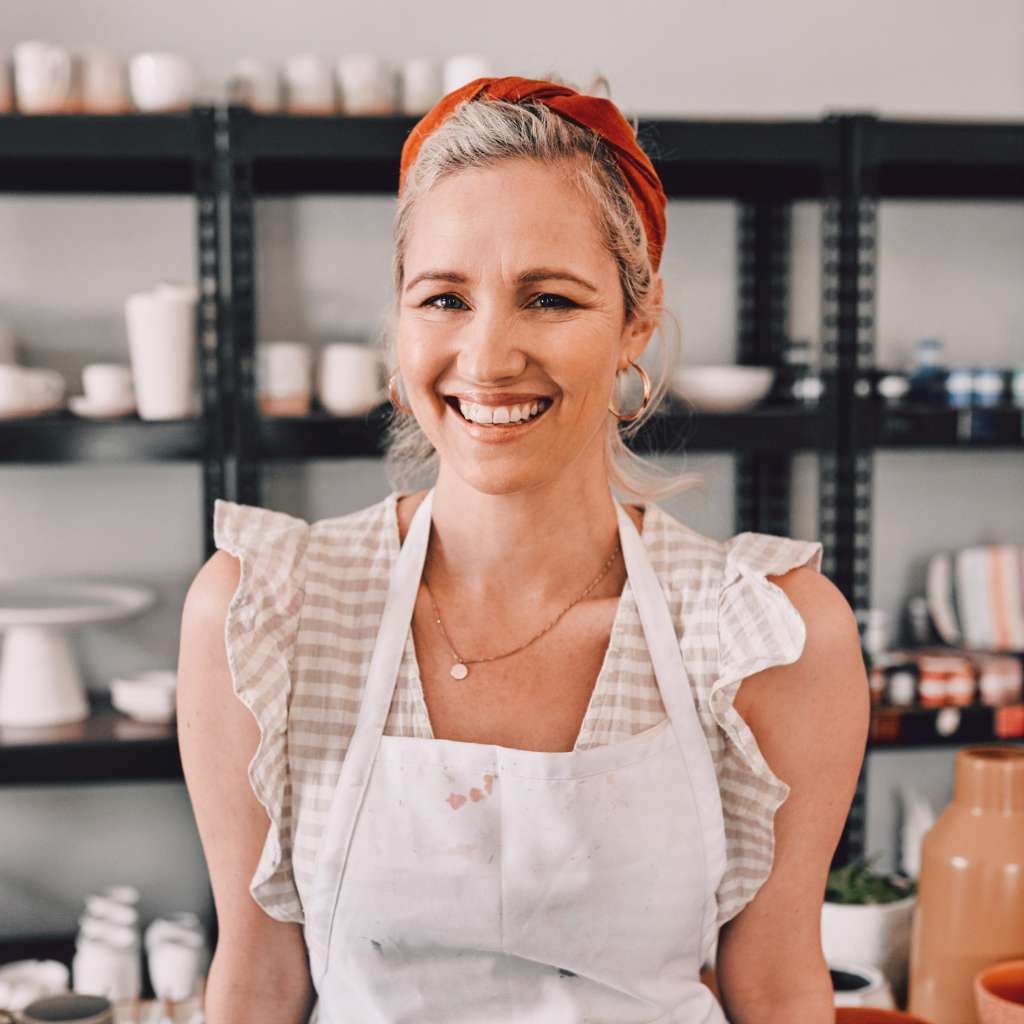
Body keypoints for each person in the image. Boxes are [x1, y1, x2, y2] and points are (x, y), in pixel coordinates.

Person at [178, 75, 869, 1024]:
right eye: (443, 298)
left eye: (548, 298)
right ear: (399, 325)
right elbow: (259, 979)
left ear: (635, 323)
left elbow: (780, 984)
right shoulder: (268, 613)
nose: (489, 357)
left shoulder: (764, 633)